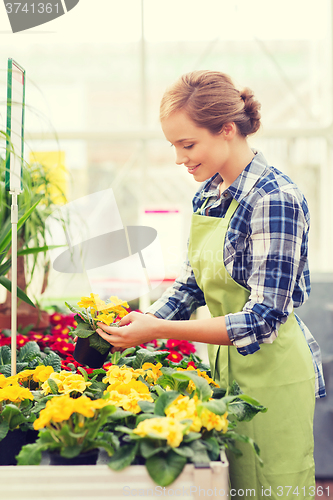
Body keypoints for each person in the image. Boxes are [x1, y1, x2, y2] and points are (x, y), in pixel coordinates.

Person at [96, 70, 326, 499]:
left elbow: (261, 319)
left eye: (188, 145)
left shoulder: (274, 198)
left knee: (274, 487)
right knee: (231, 485)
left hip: (272, 372)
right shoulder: (210, 193)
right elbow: (193, 285)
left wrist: (159, 330)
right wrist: (142, 322)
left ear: (226, 129)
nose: (180, 159)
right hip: (225, 371)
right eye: (174, 146)